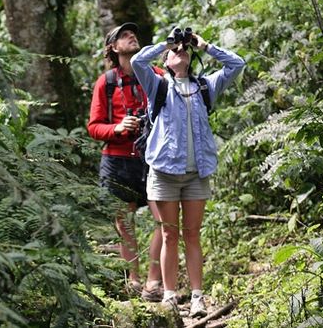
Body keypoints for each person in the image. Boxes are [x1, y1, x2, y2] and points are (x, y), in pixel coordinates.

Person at [130, 29, 245, 317]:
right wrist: (165, 44)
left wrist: (204, 46)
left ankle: (197, 297)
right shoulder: (158, 86)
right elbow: (137, 62)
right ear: (167, 60)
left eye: (183, 49)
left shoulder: (205, 86)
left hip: (197, 173)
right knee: (169, 236)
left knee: (192, 235)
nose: (179, 51)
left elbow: (237, 64)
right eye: (174, 51)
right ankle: (169, 296)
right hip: (165, 173)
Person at [87, 22, 164, 302]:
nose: (132, 36)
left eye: (133, 33)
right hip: (118, 160)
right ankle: (133, 279)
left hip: (152, 158)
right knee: (125, 223)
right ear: (113, 48)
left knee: (163, 221)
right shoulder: (106, 82)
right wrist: (117, 128)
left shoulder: (156, 75)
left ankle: (154, 282)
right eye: (123, 35)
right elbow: (94, 127)